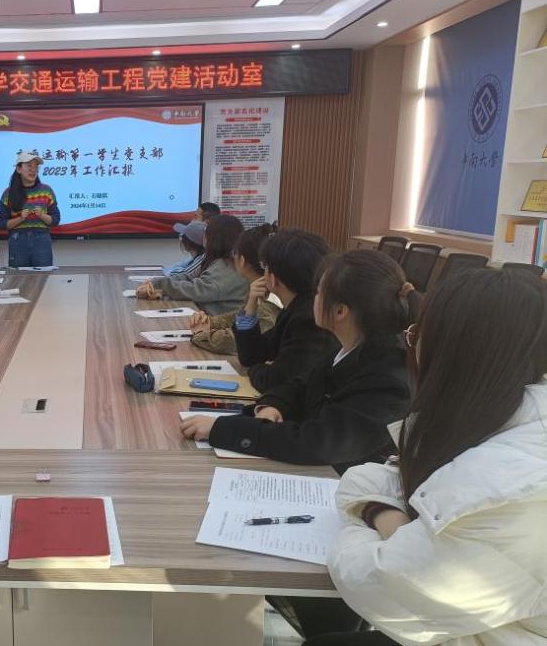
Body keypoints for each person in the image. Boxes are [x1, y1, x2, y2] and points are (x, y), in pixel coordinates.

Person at [313, 269, 547, 646]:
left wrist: (379, 518)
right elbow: (386, 475)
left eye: (417, 335)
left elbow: (378, 586)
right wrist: (385, 515)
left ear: (449, 353)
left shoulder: (516, 488)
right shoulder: (499, 417)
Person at [182, 250, 414, 473]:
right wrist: (273, 405)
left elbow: (317, 442)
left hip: (339, 486)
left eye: (319, 293)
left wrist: (222, 429)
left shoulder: (388, 378)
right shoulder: (353, 347)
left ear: (340, 311)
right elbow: (303, 386)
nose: (314, 299)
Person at [229, 228, 337, 392]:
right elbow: (251, 356)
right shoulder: (297, 307)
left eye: (264, 266)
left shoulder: (309, 318)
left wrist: (256, 370)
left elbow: (275, 380)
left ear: (272, 278)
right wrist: (251, 307)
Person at [188, 223, 280, 356]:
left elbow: (234, 340)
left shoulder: (271, 301)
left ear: (242, 260)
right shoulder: (257, 288)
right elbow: (239, 317)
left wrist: (201, 334)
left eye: (235, 252)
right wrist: (209, 321)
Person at [136, 214, 248, 315]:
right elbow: (188, 277)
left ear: (216, 238)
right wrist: (156, 283)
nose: (204, 236)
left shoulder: (228, 266)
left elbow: (198, 290)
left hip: (220, 325)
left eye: (206, 232)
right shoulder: (218, 261)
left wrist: (161, 285)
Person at [0, 150, 60, 268]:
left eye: (36, 167)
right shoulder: (8, 193)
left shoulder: (46, 191)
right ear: (19, 169)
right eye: (29, 166)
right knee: (19, 276)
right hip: (17, 241)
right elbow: (1, 223)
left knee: (43, 276)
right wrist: (20, 218)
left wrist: (42, 215)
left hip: (42, 240)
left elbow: (55, 220)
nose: (33, 170)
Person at [164, 203, 221, 276]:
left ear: (207, 222)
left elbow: (179, 275)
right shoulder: (196, 257)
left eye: (196, 217)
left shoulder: (206, 257)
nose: (192, 220)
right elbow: (169, 269)